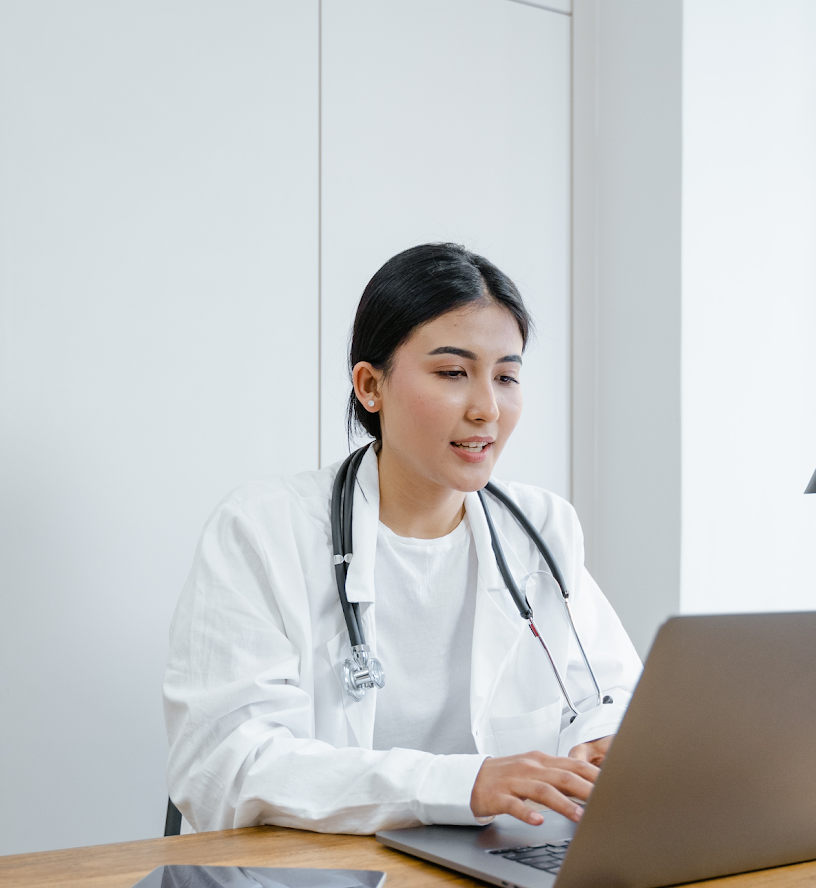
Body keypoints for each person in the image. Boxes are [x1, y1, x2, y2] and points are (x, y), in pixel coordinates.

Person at [164, 243, 642, 835]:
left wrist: (605, 742)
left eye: (507, 376)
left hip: (492, 870)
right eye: (452, 373)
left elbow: (607, 690)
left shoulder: (541, 529)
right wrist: (459, 784)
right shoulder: (263, 530)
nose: (488, 408)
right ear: (370, 386)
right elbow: (226, 766)